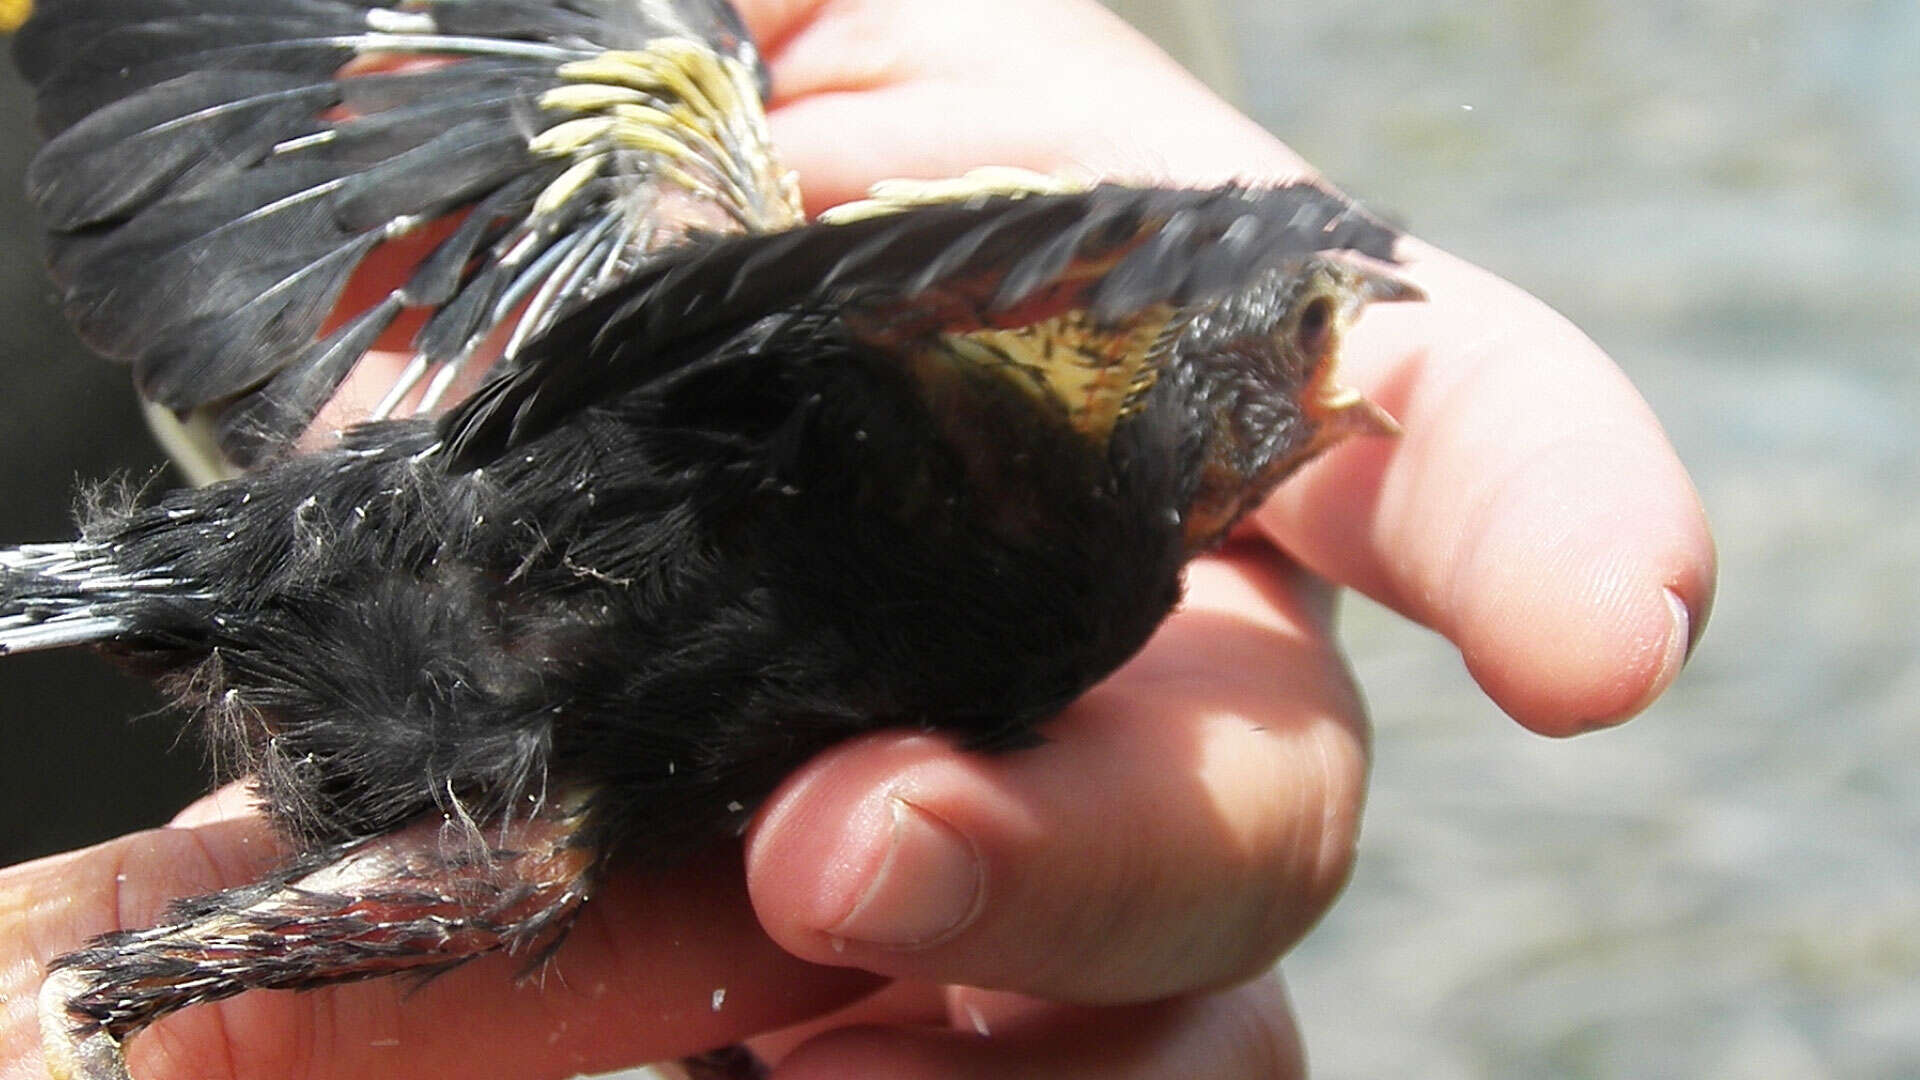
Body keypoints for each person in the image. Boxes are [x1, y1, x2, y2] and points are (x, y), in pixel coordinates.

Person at [0, 0, 1716, 1076]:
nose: (1331, 431)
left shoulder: (988, 432)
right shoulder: (982, 461)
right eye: (1283, 395)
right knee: (488, 884)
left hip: (445, 664)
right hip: (482, 706)